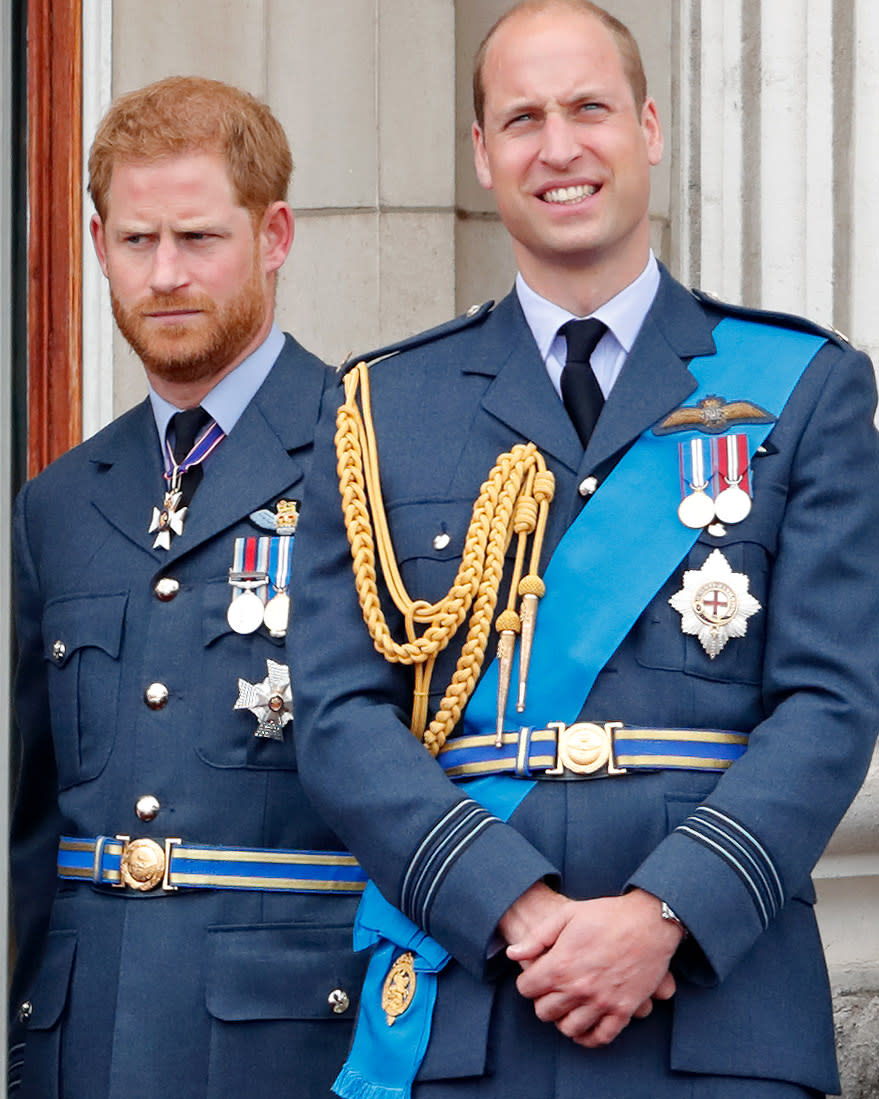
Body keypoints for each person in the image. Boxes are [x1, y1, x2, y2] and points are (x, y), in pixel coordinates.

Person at [290, 3, 879, 1097]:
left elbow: (832, 700)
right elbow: (337, 713)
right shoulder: (381, 406)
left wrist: (665, 915)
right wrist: (513, 905)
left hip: (718, 1007)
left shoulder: (807, 387)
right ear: (481, 154)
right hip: (479, 1001)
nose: (557, 147)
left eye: (589, 109)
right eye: (521, 118)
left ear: (650, 127)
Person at [9, 76, 367, 1098]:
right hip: (80, 1043)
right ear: (97, 245)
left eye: (199, 238)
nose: (165, 275)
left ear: (274, 234)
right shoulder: (60, 502)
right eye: (136, 241)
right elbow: (29, 822)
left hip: (291, 1043)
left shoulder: (371, 454)